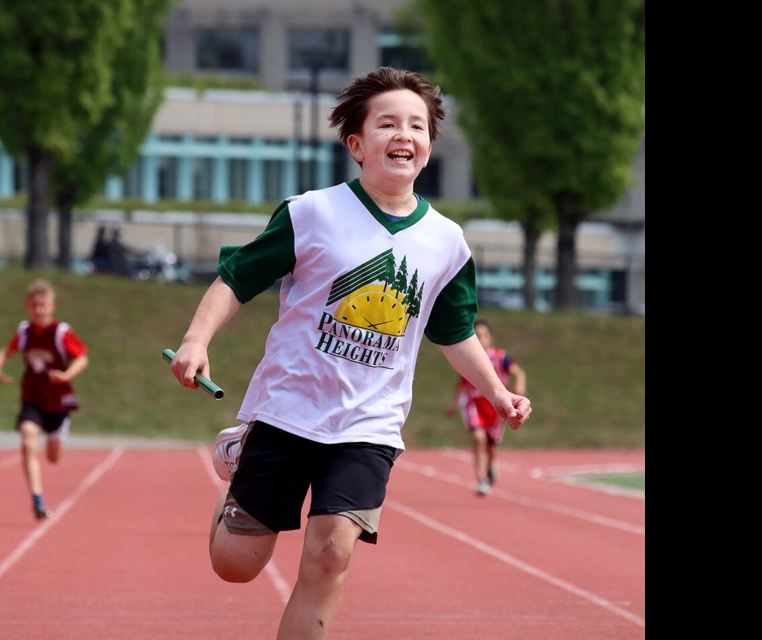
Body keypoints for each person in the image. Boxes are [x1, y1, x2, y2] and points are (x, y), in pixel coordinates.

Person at [166, 67, 532, 639]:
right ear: (357, 145)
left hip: (370, 423)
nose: (403, 134)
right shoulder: (311, 213)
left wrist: (498, 392)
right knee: (235, 567)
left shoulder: (447, 243)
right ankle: (241, 457)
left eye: (416, 125)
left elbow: (454, 331)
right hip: (289, 409)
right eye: (387, 123)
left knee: (332, 555)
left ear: (429, 147)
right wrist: (196, 339)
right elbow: (236, 279)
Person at [0, 279, 90, 520]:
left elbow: (82, 358)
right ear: (27, 307)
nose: (38, 310)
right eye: (34, 305)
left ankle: (58, 432)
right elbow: (6, 351)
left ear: (51, 307)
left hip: (57, 400)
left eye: (43, 305)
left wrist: (66, 375)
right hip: (32, 398)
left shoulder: (61, 332)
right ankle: (37, 499)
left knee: (53, 458)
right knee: (27, 436)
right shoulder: (24, 332)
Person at [445, 319, 527, 496]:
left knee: (492, 445)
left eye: (484, 336)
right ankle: (481, 479)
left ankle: (491, 464)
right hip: (474, 403)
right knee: (478, 437)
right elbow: (461, 383)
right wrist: (454, 404)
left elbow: (518, 372)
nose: (481, 339)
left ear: (491, 338)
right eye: (477, 336)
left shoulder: (500, 357)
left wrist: (519, 387)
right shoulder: (469, 359)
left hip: (495, 405)